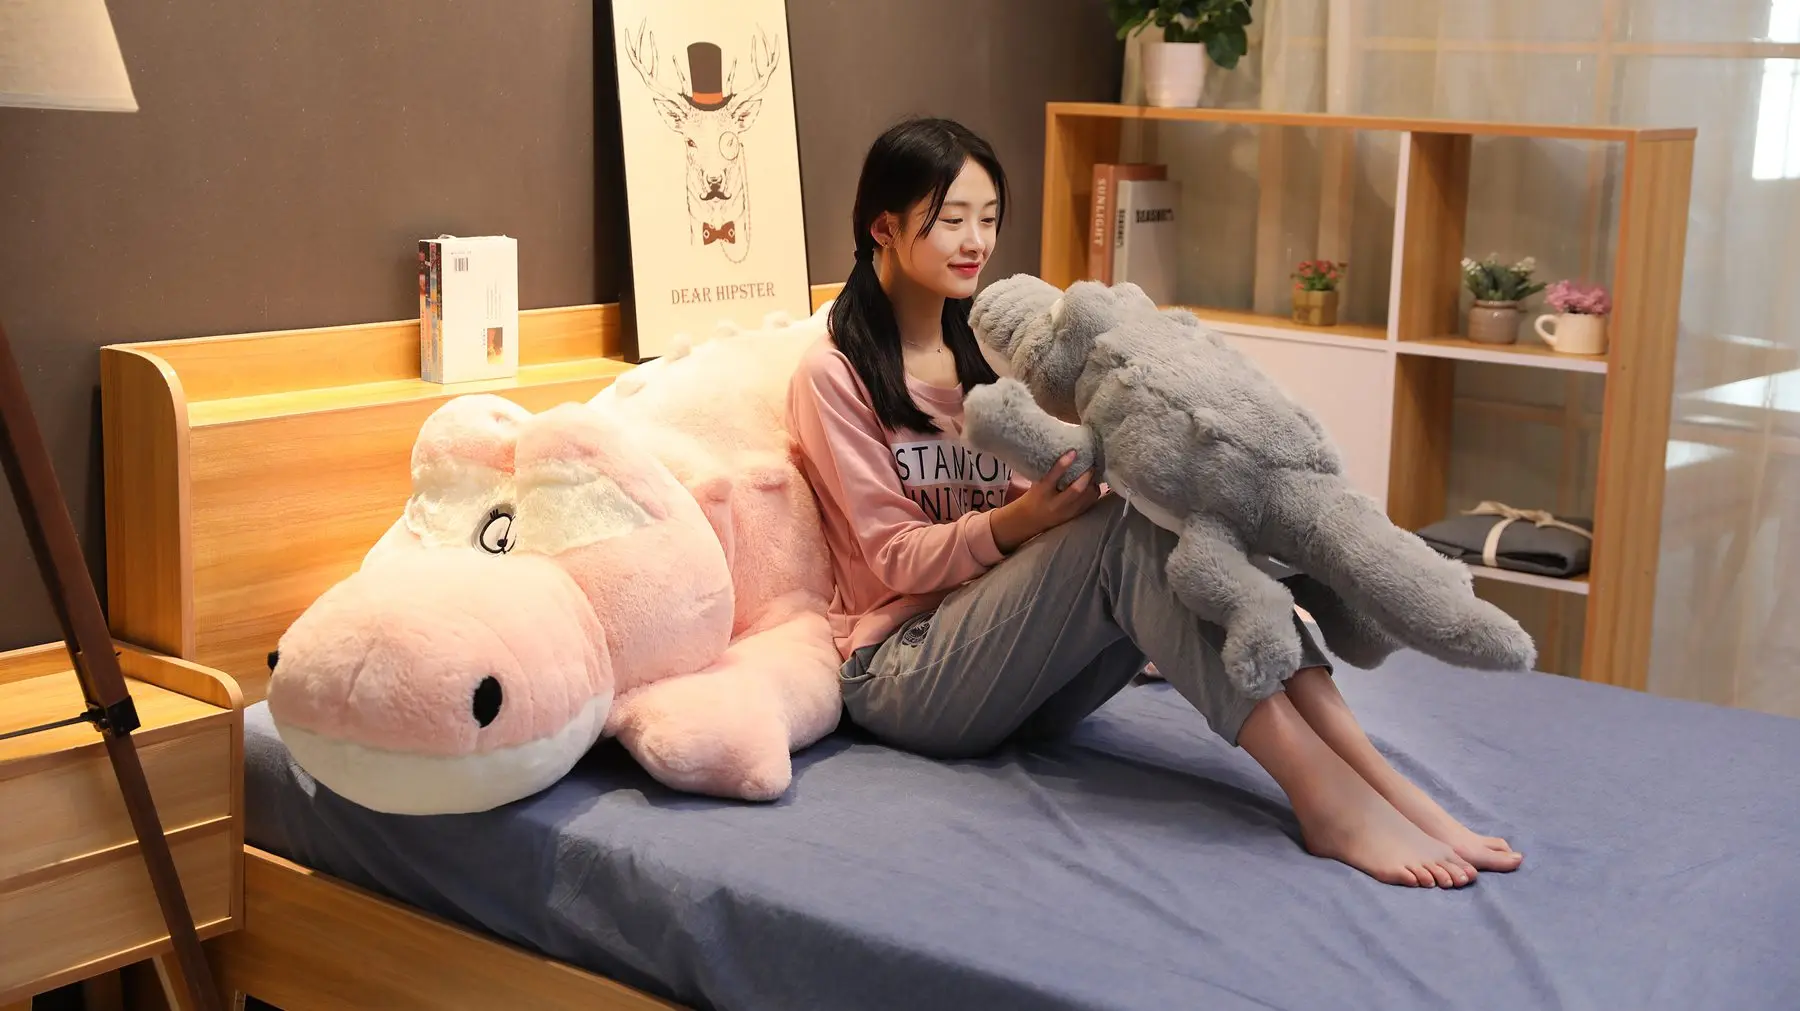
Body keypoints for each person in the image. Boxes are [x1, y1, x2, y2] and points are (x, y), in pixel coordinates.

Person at [784, 116, 1523, 888]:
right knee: (1126, 536)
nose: (977, 242)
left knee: (1176, 526)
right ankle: (1326, 798)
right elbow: (893, 557)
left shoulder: (989, 355)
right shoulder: (833, 375)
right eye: (952, 221)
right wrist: (1022, 520)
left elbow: (1049, 501)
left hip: (1021, 671)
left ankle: (1379, 779)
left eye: (990, 219)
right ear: (884, 227)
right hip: (906, 671)